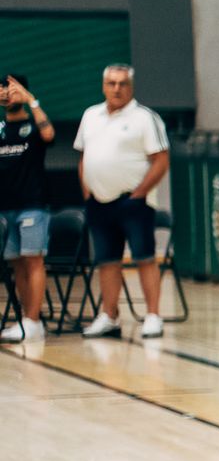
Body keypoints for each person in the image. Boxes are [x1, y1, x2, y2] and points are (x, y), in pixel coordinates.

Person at [75, 64, 170, 340]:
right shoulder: (90, 115)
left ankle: (153, 315)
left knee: (144, 257)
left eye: (122, 84)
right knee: (107, 260)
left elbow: (161, 160)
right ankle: (109, 315)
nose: (117, 89)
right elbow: (84, 157)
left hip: (133, 203)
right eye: (111, 83)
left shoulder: (145, 118)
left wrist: (139, 193)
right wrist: (87, 191)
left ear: (131, 87)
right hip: (98, 202)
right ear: (104, 86)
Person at [0, 74, 54, 343]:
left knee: (33, 260)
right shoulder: (0, 128)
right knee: (16, 264)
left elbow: (49, 134)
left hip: (32, 205)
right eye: (4, 91)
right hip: (5, 207)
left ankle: (34, 320)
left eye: (13, 90)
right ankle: (25, 318)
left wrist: (32, 100)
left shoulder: (33, 127)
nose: (8, 95)